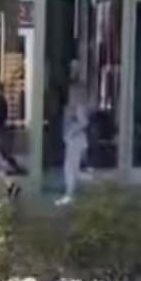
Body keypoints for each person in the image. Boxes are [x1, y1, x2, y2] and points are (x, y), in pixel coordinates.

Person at [58, 78, 91, 206]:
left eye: (72, 92)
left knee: (71, 168)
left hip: (76, 140)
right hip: (74, 140)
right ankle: (71, 193)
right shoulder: (74, 106)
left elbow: (84, 122)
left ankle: (70, 194)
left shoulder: (79, 106)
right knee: (71, 167)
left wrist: (70, 133)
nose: (70, 94)